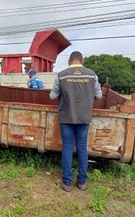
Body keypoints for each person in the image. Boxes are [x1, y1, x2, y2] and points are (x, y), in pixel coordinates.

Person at [49, 51, 102, 192]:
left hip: (66, 117)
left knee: (67, 148)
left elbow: (52, 96)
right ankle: (82, 182)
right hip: (84, 117)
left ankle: (66, 184)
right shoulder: (92, 75)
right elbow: (99, 95)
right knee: (82, 148)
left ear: (69, 61)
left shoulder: (62, 75)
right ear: (82, 61)